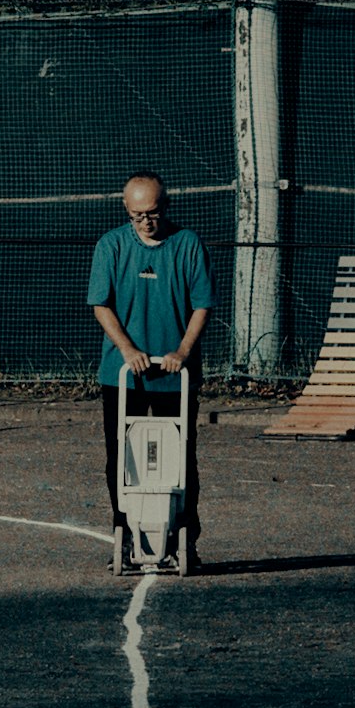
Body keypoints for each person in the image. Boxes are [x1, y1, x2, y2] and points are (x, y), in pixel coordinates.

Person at [85, 171, 213, 572]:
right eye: (137, 214)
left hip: (175, 375)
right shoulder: (111, 246)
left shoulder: (187, 245)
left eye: (153, 213)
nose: (145, 222)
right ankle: (125, 534)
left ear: (166, 206)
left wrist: (182, 352)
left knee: (179, 458)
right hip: (123, 374)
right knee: (122, 459)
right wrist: (127, 349)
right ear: (127, 210)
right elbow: (100, 304)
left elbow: (202, 306)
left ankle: (183, 537)